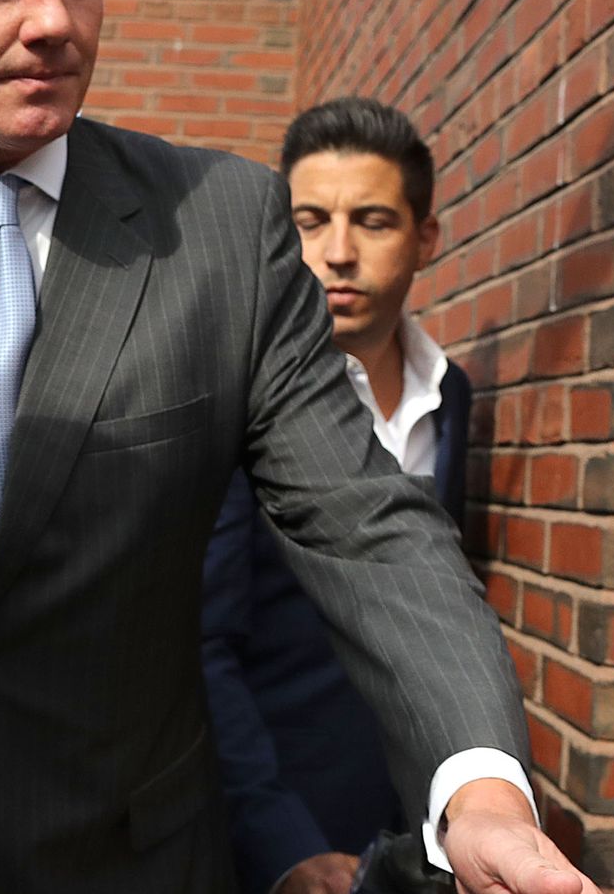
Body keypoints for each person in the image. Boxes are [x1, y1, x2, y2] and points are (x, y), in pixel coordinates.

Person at [0, 0, 598, 892]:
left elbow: (365, 521)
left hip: (120, 858)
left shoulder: (225, 228)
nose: (54, 20)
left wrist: (479, 788)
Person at [202, 98, 473, 894]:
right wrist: (282, 842)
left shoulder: (452, 397)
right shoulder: (234, 395)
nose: (338, 252)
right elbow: (200, 642)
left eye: (374, 221)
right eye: (311, 221)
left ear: (425, 238)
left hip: (411, 834)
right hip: (263, 828)